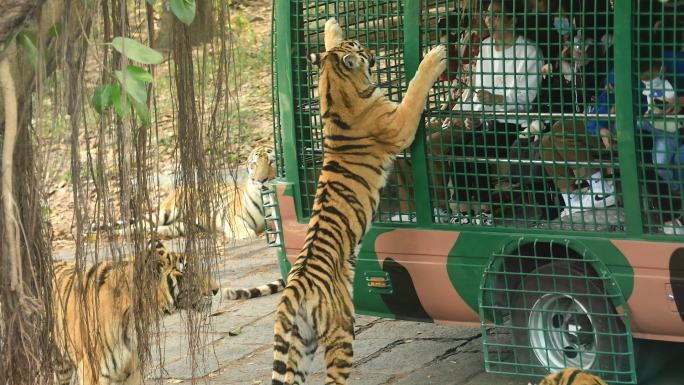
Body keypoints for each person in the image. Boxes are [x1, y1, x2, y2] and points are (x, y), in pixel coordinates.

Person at [447, 0, 543, 225]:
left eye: (497, 15)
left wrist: (498, 99)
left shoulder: (528, 51)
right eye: (488, 15)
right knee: (455, 150)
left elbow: (526, 99)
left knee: (475, 150)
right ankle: (462, 212)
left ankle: (485, 211)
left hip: (514, 123)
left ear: (513, 20)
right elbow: (478, 92)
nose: (489, 20)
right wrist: (471, 116)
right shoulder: (487, 46)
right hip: (488, 119)